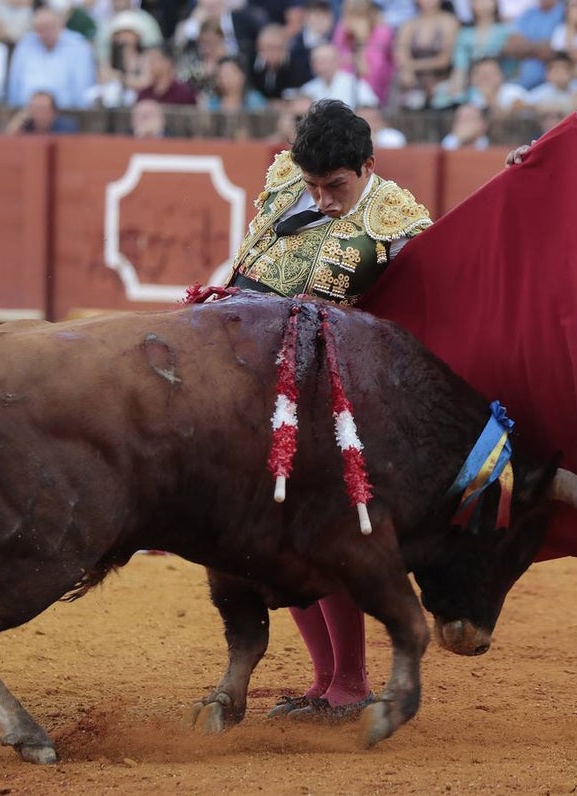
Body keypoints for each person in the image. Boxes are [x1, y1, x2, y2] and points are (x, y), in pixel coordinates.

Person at [224, 99, 434, 721]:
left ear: (367, 166)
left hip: (335, 398)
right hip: (264, 381)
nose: (322, 197)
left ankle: (349, 682)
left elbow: (473, 261)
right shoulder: (291, 180)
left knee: (323, 532)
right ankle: (325, 682)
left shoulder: (395, 218)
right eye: (313, 184)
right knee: (276, 535)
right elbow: (247, 273)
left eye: (336, 186)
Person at [5, 88, 80, 133]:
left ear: (53, 111)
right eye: (34, 108)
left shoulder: (66, 128)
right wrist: (14, 127)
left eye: (42, 109)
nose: (38, 114)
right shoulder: (24, 126)